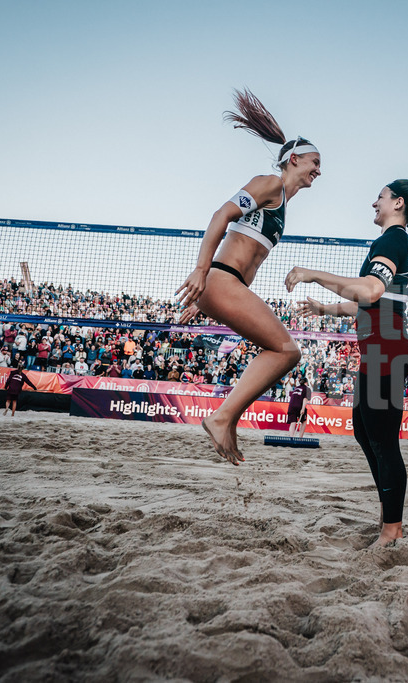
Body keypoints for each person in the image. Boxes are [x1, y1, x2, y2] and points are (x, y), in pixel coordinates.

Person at [175, 89, 321, 465]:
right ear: (293, 160)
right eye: (314, 162)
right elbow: (219, 217)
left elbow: (247, 260)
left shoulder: (283, 204)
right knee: (286, 350)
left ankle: (227, 418)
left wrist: (207, 304)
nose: (318, 170)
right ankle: (222, 417)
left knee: (282, 351)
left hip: (226, 286)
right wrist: (201, 272)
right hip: (220, 278)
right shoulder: (269, 183)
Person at [287, 178, 408, 548]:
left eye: (380, 197)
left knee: (382, 441)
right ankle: (389, 514)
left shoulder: (393, 240)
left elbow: (369, 290)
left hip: (387, 351)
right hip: (378, 349)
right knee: (364, 432)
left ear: (398, 202)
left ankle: (392, 527)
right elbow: (366, 302)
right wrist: (323, 308)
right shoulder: (389, 243)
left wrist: (313, 274)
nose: (374, 203)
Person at [287, 374, 311, 438]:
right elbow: (305, 399)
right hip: (299, 406)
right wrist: (303, 409)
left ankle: (291, 437)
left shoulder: (296, 388)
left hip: (291, 406)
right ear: (306, 382)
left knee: (293, 422)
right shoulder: (307, 389)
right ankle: (300, 437)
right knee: (304, 421)